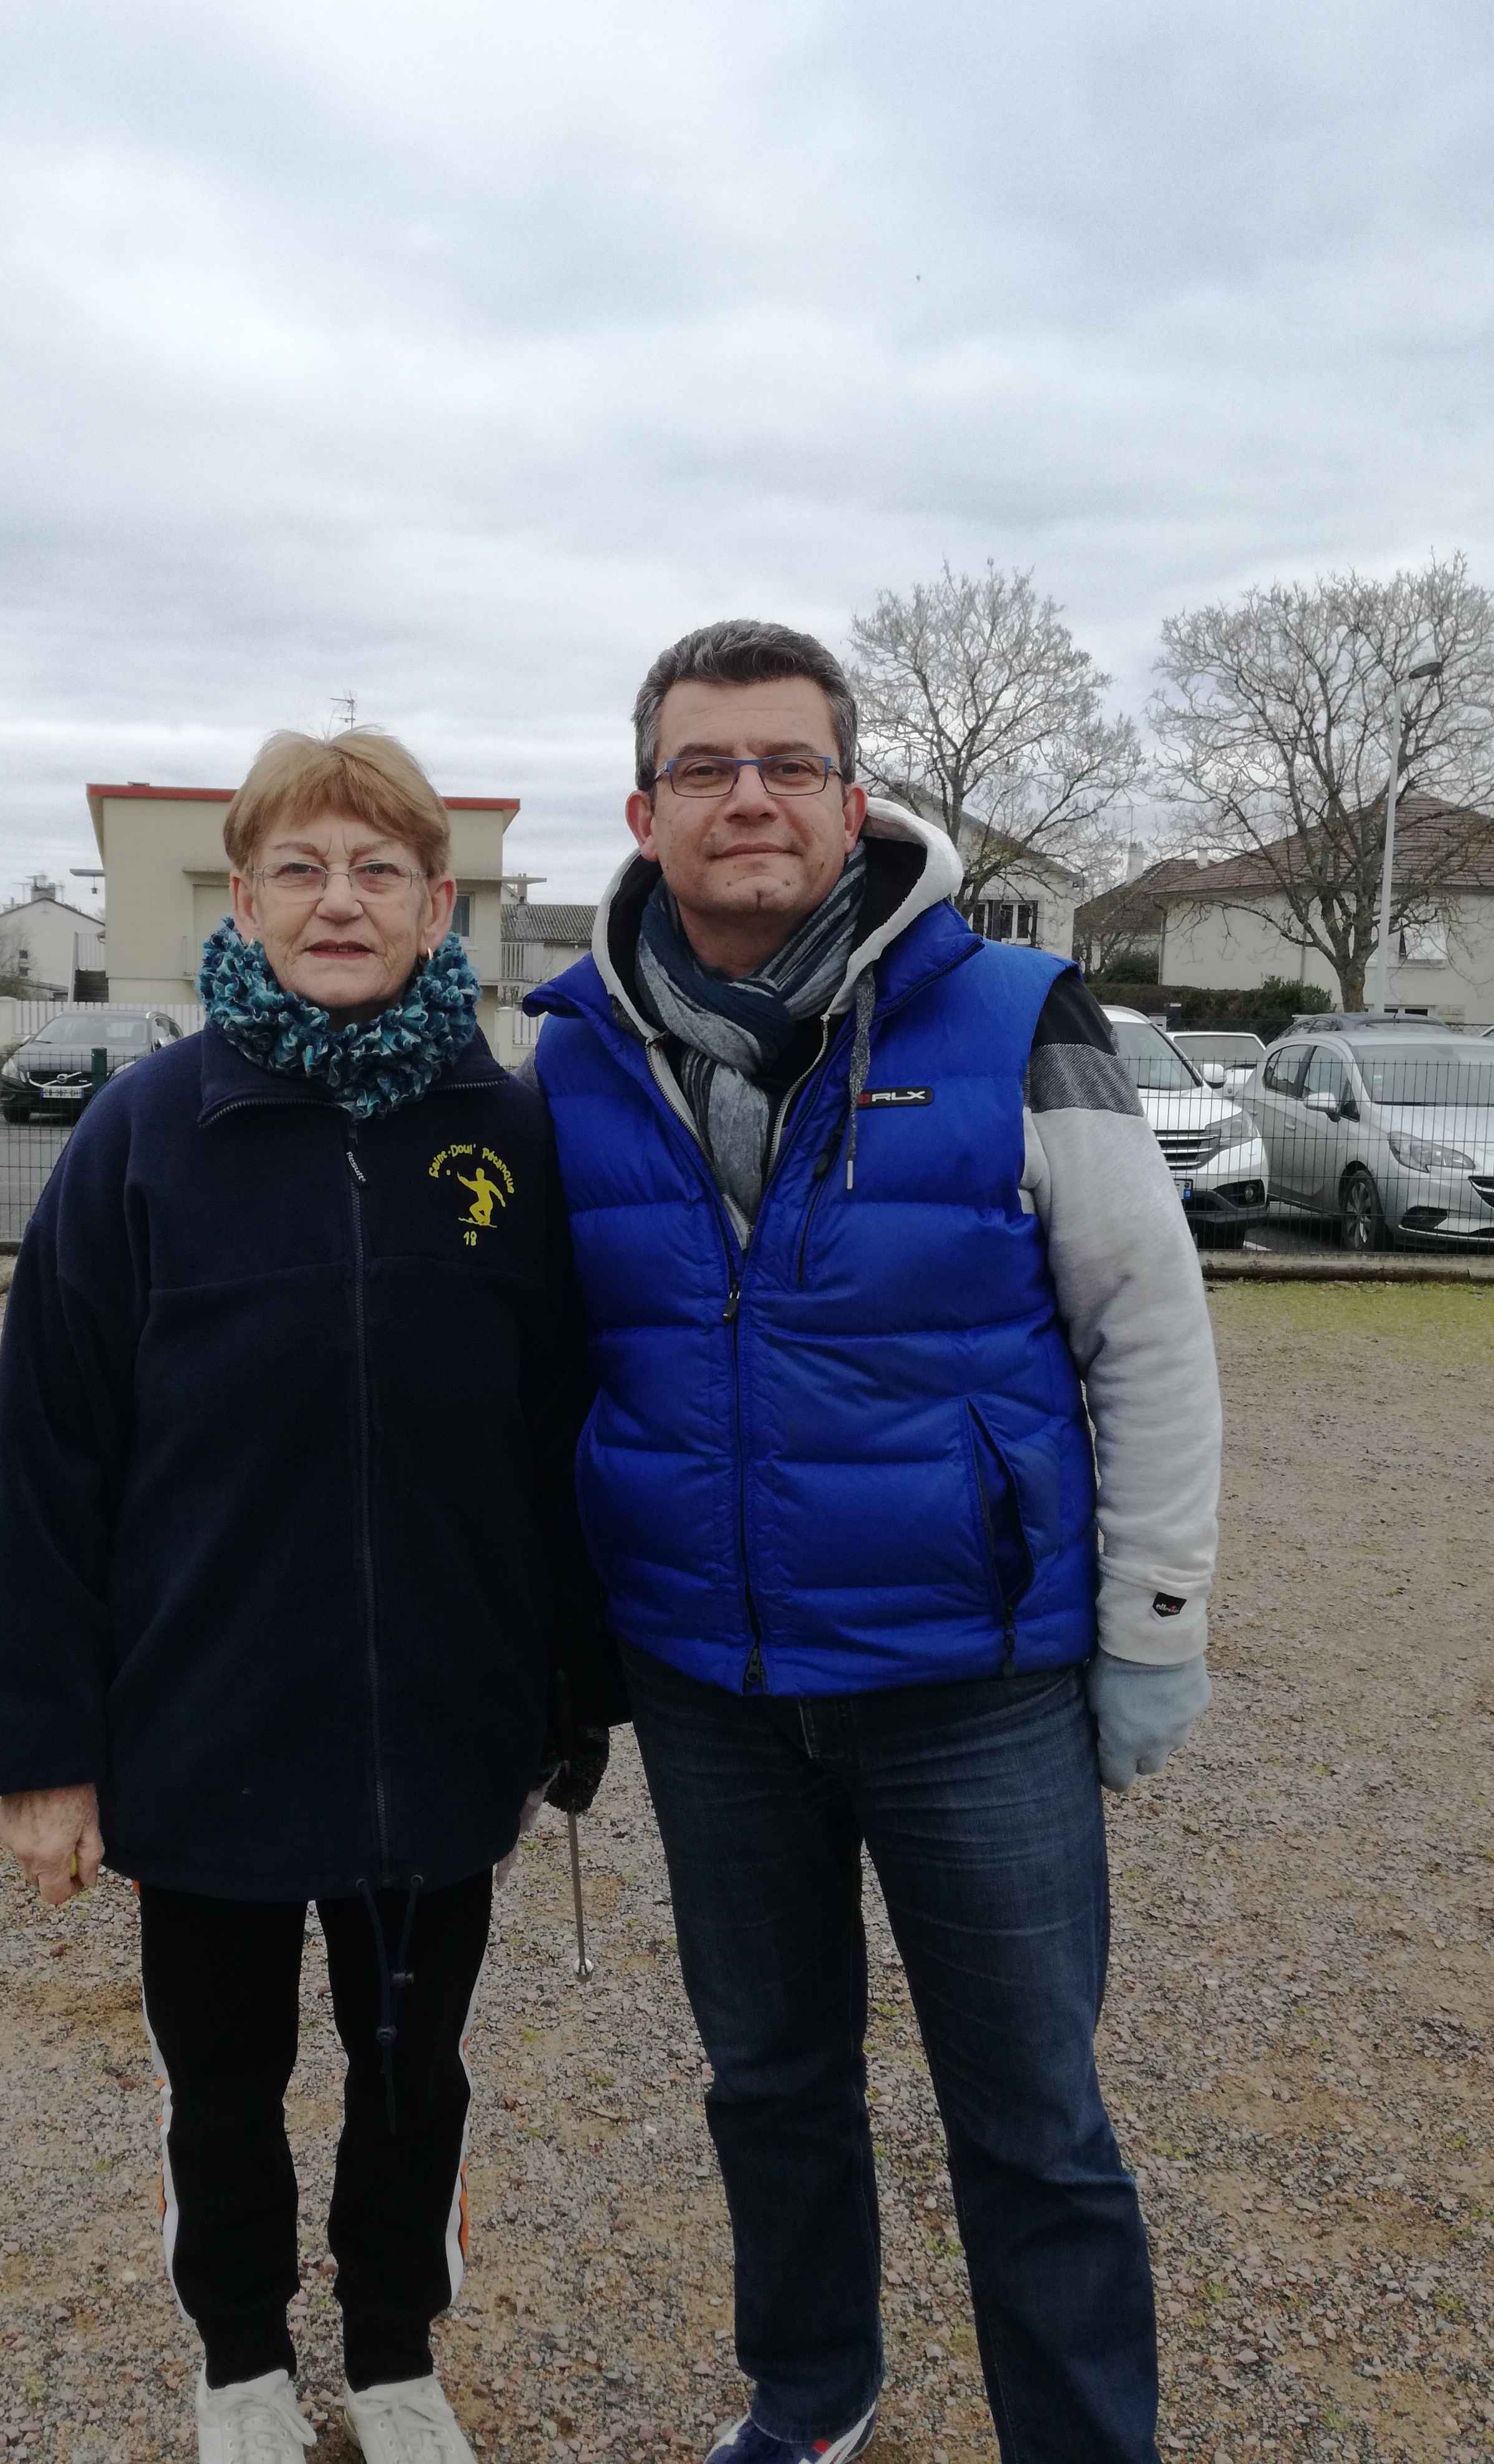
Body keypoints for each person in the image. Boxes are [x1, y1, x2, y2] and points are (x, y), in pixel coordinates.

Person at [521, 621, 1221, 2464]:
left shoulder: (1017, 1017)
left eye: (789, 764)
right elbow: (537, 1361)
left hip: (971, 1683)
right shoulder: (572, 1051)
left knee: (1033, 2121)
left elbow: (1146, 1328)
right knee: (770, 2085)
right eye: (704, 767)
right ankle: (813, 2398)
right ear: (645, 813)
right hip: (713, 1683)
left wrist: (1153, 1619)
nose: (748, 797)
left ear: (852, 800)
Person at [0, 727, 610, 2464]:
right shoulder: (145, 1135)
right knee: (225, 2083)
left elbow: (567, 1434)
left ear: (438, 907)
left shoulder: (513, 1135)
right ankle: (241, 2359)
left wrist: (578, 1690)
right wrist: (42, 1748)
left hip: (441, 1742)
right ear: (241, 899)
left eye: (378, 869)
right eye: (302, 870)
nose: (341, 902)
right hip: (207, 1738)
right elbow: (46, 1458)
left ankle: (394, 2357)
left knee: (413, 2078)